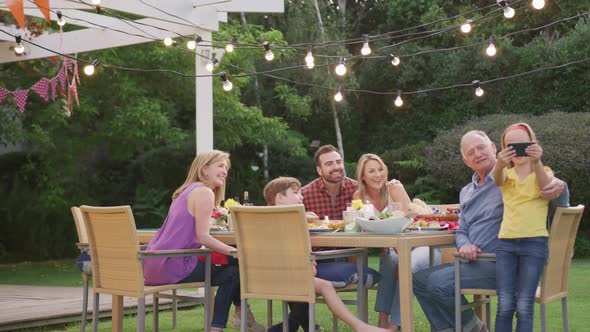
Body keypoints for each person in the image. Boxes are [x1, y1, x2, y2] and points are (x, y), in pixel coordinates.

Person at [413, 130, 568, 332]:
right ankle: (468, 327)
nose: (477, 154)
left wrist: (560, 185)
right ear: (466, 161)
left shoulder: (511, 178)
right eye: (471, 152)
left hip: (505, 263)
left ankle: (471, 328)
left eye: (481, 147)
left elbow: (557, 198)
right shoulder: (466, 191)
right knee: (419, 279)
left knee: (438, 283)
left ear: (494, 148)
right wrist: (465, 244)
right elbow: (462, 230)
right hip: (474, 263)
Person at [143, 150, 264, 332]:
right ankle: (229, 321)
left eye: (226, 168)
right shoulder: (204, 192)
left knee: (233, 267)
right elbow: (203, 238)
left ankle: (241, 315)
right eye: (220, 166)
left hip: (156, 263)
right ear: (205, 169)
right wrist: (235, 251)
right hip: (172, 265)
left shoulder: (185, 192)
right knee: (234, 268)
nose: (225, 171)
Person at [263, 177, 388, 332]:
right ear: (280, 198)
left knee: (308, 282)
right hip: (286, 277)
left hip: (264, 278)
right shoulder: (293, 222)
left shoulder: (264, 220)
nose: (301, 197)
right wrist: (310, 263)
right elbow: (303, 262)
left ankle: (291, 327)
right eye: (296, 193)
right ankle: (360, 326)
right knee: (324, 285)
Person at [352, 153, 439, 332]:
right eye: (371, 171)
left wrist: (400, 193)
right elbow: (362, 227)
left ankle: (394, 325)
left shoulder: (394, 189)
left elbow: (412, 220)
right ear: (363, 176)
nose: (378, 175)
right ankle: (383, 320)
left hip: (422, 247)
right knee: (389, 259)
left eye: (380, 169)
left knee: (403, 264)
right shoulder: (359, 196)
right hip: (393, 249)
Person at [492, 123, 552, 332]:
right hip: (506, 244)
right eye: (511, 146)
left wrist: (537, 161)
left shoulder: (544, 171)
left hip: (534, 243)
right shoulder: (507, 175)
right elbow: (496, 179)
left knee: (525, 305)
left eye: (523, 144)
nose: (517, 150)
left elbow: (546, 188)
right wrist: (499, 163)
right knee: (505, 304)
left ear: (533, 145)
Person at [302, 144, 358, 220]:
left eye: (338, 162)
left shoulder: (356, 189)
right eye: (329, 164)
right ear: (319, 170)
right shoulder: (304, 195)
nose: (336, 167)